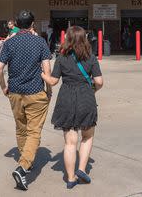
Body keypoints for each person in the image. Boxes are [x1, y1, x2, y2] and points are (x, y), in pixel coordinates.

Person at [0, 10, 52, 191]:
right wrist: (49, 90)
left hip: (15, 92)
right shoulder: (40, 42)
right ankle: (23, 167)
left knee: (21, 128)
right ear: (32, 24)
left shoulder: (10, 43)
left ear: (18, 24)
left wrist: (4, 86)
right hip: (35, 92)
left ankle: (26, 160)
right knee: (34, 132)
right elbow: (46, 68)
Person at [42, 26, 104, 189]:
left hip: (66, 98)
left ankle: (70, 178)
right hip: (86, 98)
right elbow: (99, 82)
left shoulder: (61, 58)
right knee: (87, 136)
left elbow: (53, 81)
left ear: (67, 39)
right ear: (85, 39)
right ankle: (82, 169)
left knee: (70, 143)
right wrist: (92, 91)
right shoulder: (91, 57)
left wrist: (42, 74)